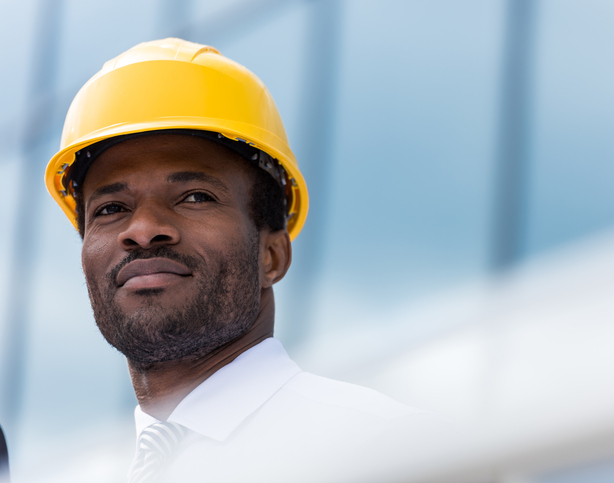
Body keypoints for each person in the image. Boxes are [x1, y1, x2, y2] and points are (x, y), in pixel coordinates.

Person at [45, 38, 446, 482]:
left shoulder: (393, 452)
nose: (141, 230)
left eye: (195, 197)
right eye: (110, 209)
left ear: (271, 256)